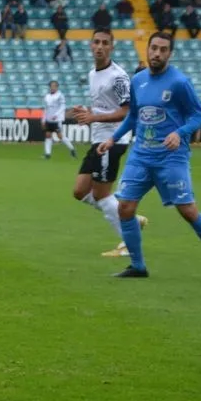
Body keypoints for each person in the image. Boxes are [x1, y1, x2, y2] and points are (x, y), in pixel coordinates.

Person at [98, 32, 201, 282]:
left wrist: (180, 133)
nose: (157, 54)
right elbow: (134, 116)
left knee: (188, 211)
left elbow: (200, 115)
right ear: (147, 50)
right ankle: (138, 266)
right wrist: (112, 139)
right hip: (141, 156)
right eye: (154, 48)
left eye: (163, 50)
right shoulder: (137, 81)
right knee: (125, 208)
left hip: (171, 157)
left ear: (170, 54)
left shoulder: (179, 82)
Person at [70, 28, 147, 258]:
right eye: (96, 42)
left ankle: (127, 242)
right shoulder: (93, 74)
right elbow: (104, 107)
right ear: (90, 45)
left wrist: (94, 117)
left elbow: (127, 111)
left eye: (105, 42)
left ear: (112, 47)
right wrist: (88, 113)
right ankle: (130, 219)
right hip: (98, 139)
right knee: (80, 191)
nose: (100, 46)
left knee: (102, 193)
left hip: (113, 139)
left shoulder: (119, 76)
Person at [42, 80, 76, 159]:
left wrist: (56, 115)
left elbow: (63, 107)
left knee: (60, 136)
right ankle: (47, 154)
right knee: (48, 135)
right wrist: (43, 119)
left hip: (56, 120)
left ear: (57, 87)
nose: (52, 87)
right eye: (51, 86)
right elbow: (45, 109)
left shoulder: (60, 95)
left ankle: (72, 149)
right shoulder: (47, 96)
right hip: (48, 119)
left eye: (54, 86)